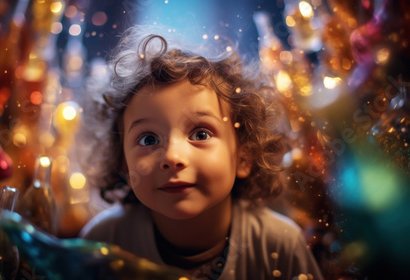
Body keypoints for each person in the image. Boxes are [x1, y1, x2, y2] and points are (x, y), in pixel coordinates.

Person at [79, 26, 324, 280]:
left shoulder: (280, 245)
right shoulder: (103, 243)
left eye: (200, 134)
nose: (173, 157)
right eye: (148, 139)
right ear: (124, 165)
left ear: (243, 157)